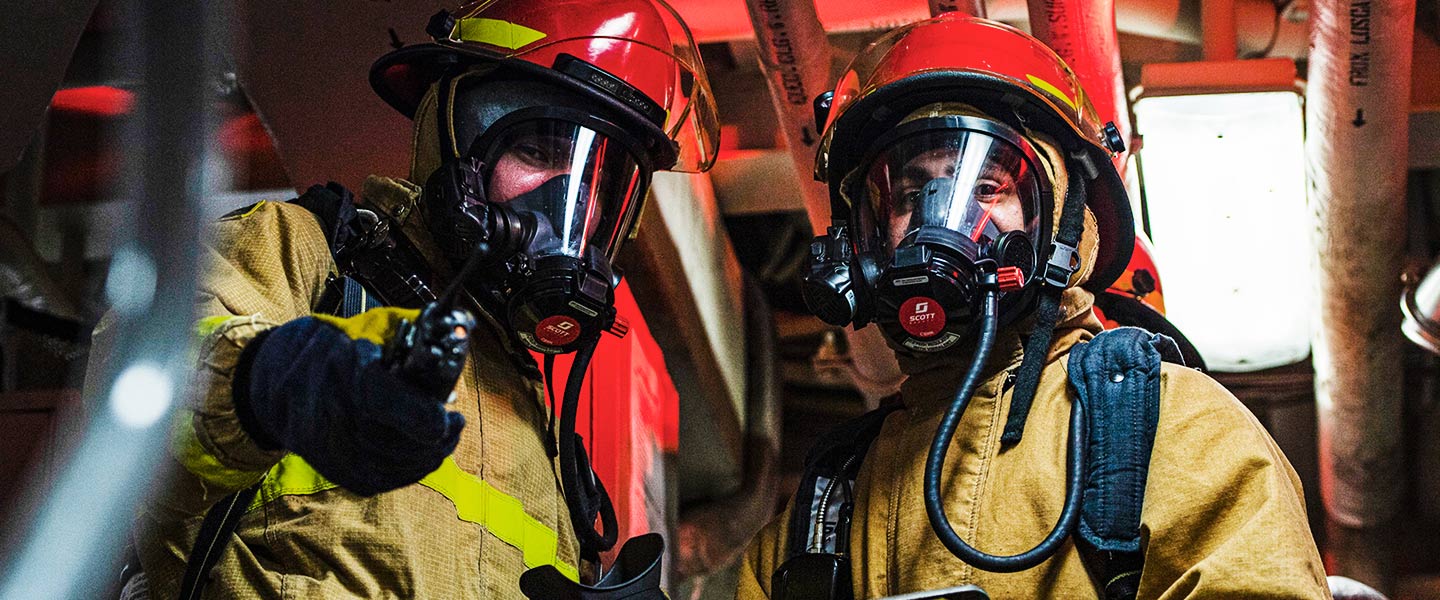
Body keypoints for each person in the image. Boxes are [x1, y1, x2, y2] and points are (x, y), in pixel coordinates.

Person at [93, 0, 718, 597]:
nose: (568, 209)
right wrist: (278, 382)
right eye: (537, 150)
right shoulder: (306, 255)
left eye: (598, 184)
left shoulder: (537, 415)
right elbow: (138, 403)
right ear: (457, 140)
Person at [739, 14, 1330, 599]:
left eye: (988, 187)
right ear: (864, 239)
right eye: (915, 192)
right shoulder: (816, 518)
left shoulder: (1181, 433)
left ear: (1064, 227)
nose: (941, 220)